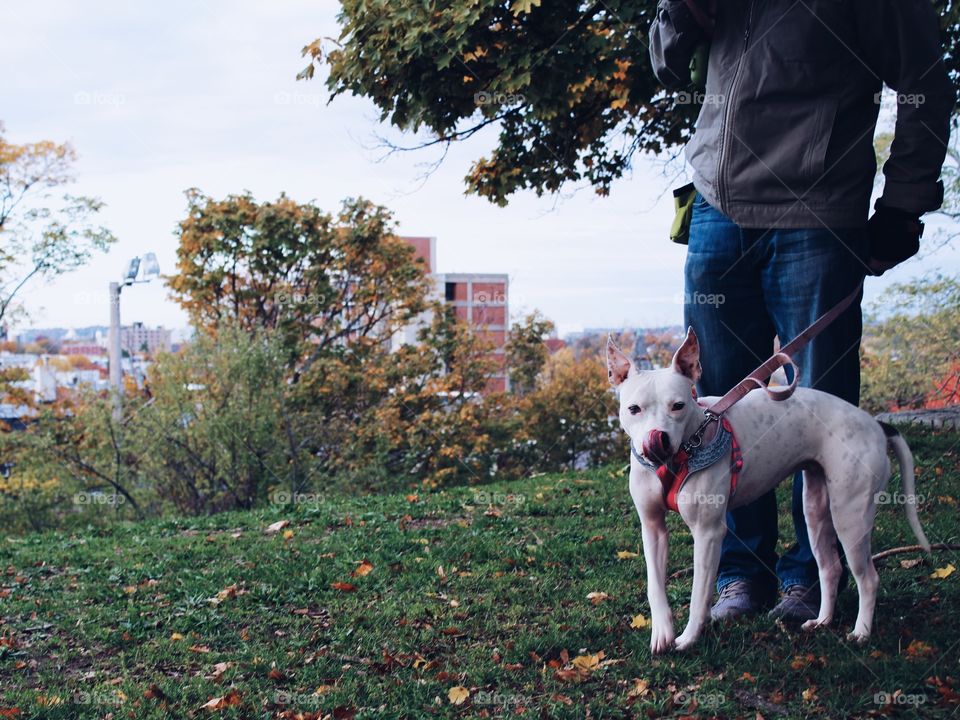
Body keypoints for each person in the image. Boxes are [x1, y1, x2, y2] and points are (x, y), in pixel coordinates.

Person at [649, 0, 955, 621]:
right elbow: (667, 66)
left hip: (819, 211)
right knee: (716, 410)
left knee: (816, 404)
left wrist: (904, 204)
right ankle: (740, 575)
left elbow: (924, 80)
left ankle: (810, 580)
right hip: (717, 206)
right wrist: (682, 12)